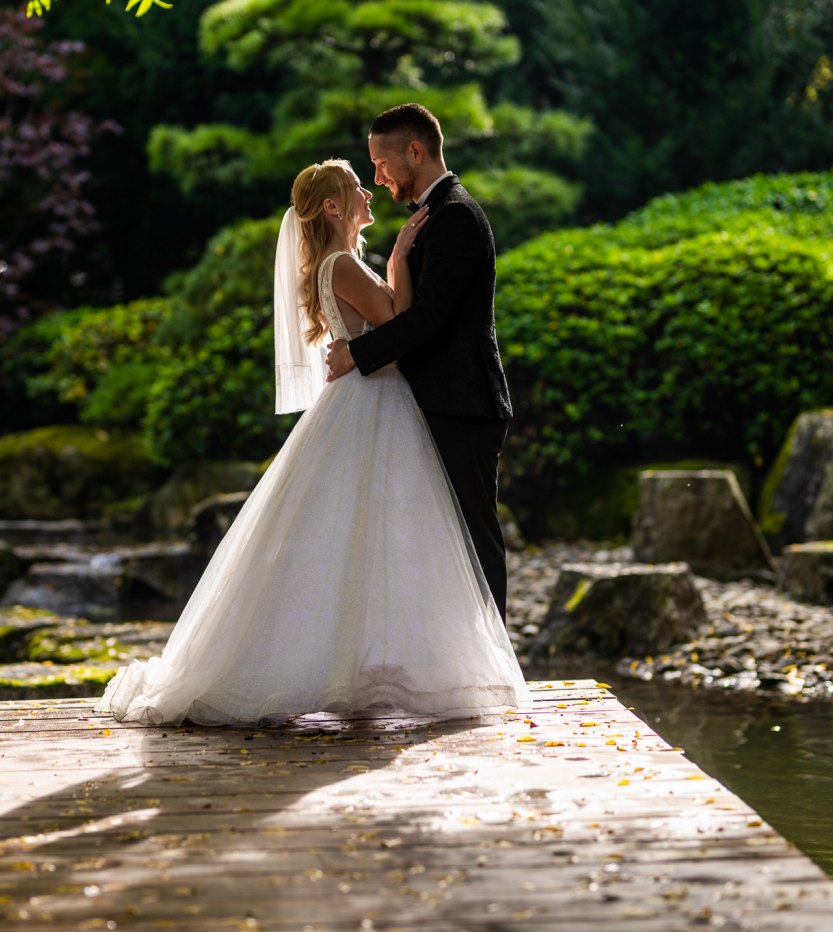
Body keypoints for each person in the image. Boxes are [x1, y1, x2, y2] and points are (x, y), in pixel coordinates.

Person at [96, 157, 527, 726]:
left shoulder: (340, 262)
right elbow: (400, 317)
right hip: (374, 403)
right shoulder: (343, 263)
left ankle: (365, 665)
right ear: (333, 206)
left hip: (371, 399)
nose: (370, 194)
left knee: (362, 538)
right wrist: (399, 257)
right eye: (357, 187)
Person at [325, 103, 513, 624]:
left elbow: (430, 318)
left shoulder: (454, 214)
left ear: (416, 151)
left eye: (383, 164)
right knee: (444, 542)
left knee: (474, 537)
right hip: (439, 400)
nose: (377, 177)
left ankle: (496, 666)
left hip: (463, 401)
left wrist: (354, 355)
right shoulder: (433, 214)